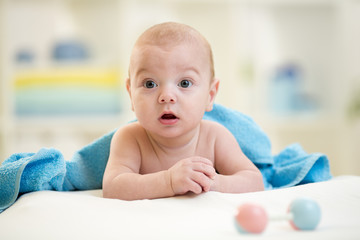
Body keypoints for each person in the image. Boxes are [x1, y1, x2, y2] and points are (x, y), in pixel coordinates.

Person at [102, 22, 264, 200]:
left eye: (184, 83)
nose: (167, 96)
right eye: (150, 84)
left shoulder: (214, 137)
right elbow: (113, 187)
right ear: (131, 94)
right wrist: (168, 181)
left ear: (210, 95)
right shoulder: (131, 138)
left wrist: (213, 183)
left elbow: (254, 181)